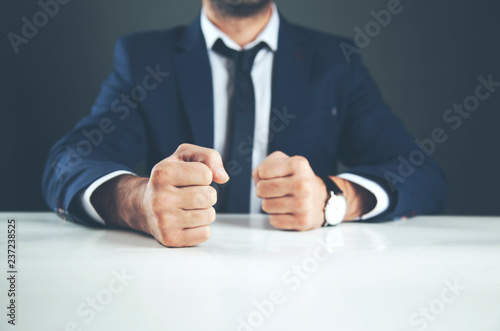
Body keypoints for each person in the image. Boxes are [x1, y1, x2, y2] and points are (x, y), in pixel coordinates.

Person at [42, 0, 447, 247]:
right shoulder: (144, 57)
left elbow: (420, 173)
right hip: (172, 286)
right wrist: (137, 202)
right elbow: (69, 163)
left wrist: (334, 198)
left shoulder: (335, 61)